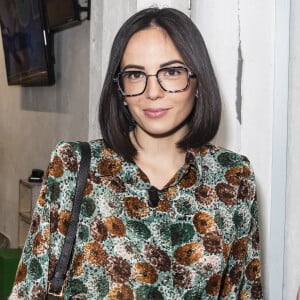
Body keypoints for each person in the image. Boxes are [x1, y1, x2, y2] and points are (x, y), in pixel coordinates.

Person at [9, 7, 263, 299]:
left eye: (171, 71)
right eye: (135, 74)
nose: (152, 91)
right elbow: (31, 288)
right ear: (120, 89)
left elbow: (243, 290)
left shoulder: (233, 176)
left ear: (198, 81)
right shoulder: (74, 165)